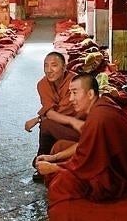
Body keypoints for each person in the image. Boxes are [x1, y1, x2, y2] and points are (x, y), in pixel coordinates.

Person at [36, 74, 127, 207]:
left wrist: (56, 168)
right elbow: (85, 145)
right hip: (118, 163)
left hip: (122, 176)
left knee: (60, 183)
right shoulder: (101, 103)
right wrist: (54, 157)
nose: (71, 99)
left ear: (90, 94)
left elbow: (84, 163)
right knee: (59, 147)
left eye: (75, 93)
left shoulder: (98, 117)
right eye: (70, 93)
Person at [25, 51, 83, 181]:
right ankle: (43, 161)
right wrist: (43, 116)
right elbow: (50, 112)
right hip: (64, 127)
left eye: (54, 65)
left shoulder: (75, 83)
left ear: (64, 67)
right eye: (46, 66)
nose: (49, 70)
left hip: (81, 129)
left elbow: (60, 112)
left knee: (46, 124)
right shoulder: (43, 84)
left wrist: (39, 118)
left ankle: (42, 161)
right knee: (47, 124)